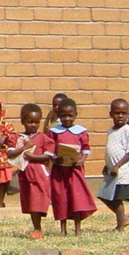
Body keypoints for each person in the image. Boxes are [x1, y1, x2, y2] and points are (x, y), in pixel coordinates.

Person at [47, 98, 96, 236]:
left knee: (76, 198)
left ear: (76, 115)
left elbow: (85, 148)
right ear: (58, 115)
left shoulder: (80, 131)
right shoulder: (54, 131)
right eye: (63, 115)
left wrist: (82, 159)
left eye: (70, 115)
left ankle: (77, 228)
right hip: (59, 171)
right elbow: (50, 148)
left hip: (75, 170)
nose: (67, 119)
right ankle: (63, 229)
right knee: (61, 197)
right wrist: (54, 159)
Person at [7, 103, 54, 239]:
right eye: (29, 122)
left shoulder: (43, 138)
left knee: (38, 199)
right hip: (25, 172)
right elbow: (10, 154)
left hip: (38, 172)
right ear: (23, 121)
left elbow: (49, 155)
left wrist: (33, 156)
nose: (33, 125)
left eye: (36, 122)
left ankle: (37, 228)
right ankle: (36, 227)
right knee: (30, 199)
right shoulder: (18, 138)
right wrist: (23, 148)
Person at [98, 99, 129, 232]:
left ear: (128, 115)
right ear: (111, 114)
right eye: (117, 113)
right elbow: (111, 149)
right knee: (103, 196)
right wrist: (107, 164)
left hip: (122, 172)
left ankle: (120, 227)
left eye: (123, 113)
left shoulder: (127, 130)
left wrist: (117, 165)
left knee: (117, 199)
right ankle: (124, 218)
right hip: (112, 171)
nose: (120, 116)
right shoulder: (111, 130)